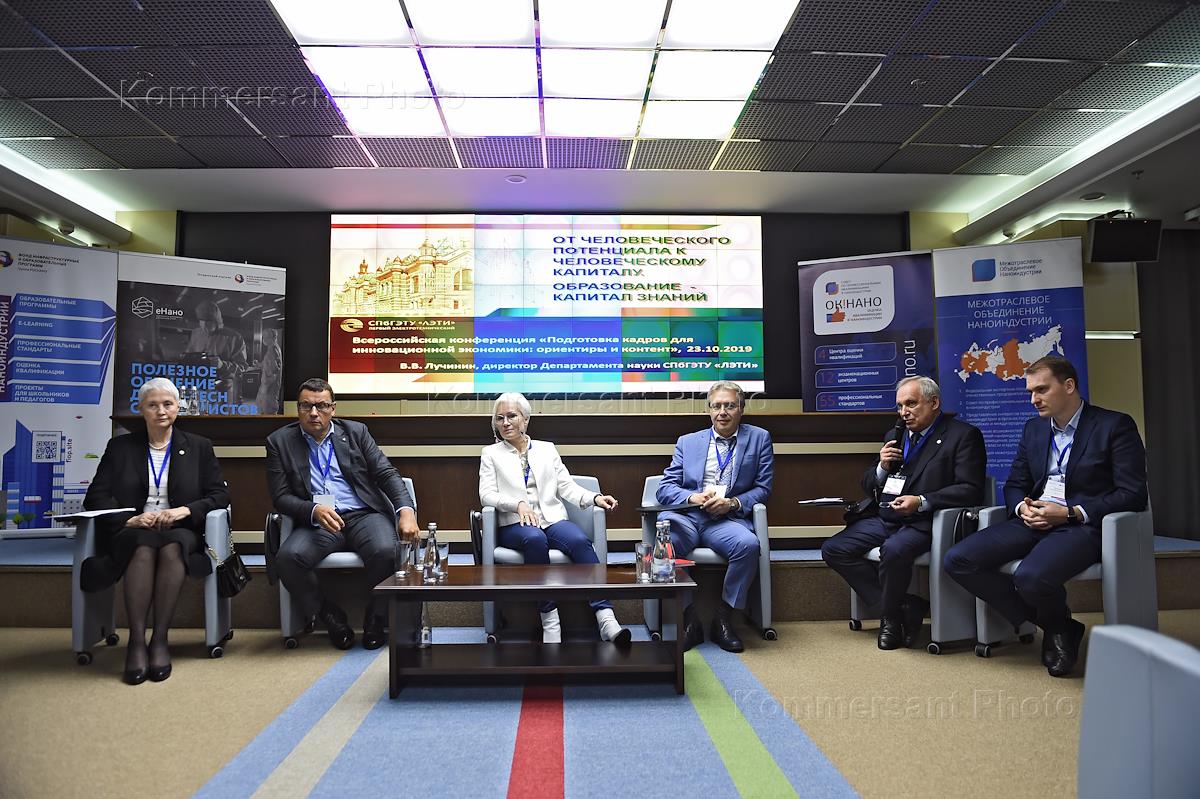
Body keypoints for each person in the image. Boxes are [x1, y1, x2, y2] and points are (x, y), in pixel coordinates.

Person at [944, 356, 1148, 677]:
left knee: (1031, 577)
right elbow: (1016, 483)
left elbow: (1132, 493)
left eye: (1041, 389)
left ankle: (1055, 627)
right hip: (1034, 519)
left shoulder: (1114, 426)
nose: (1033, 399)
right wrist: (1021, 509)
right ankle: (1059, 625)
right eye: (1030, 392)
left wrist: (1070, 514)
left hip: (1081, 525)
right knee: (958, 559)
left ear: (1069, 386)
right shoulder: (1034, 429)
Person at [82, 377, 230, 685]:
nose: (161, 411)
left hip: (180, 529)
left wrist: (185, 510)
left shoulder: (199, 446)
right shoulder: (120, 447)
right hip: (134, 530)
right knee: (142, 548)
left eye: (167, 404)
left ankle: (160, 639)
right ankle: (137, 641)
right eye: (152, 405)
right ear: (141, 409)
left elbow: (219, 494)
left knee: (173, 547)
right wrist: (130, 519)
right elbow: (96, 496)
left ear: (178, 407)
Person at [822, 376, 986, 649]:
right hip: (887, 517)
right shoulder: (895, 435)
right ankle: (904, 606)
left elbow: (971, 489)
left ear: (934, 402)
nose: (904, 412)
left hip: (927, 521)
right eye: (899, 406)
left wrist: (922, 501)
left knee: (894, 550)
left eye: (911, 404)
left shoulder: (962, 435)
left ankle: (889, 619)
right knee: (834, 549)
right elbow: (868, 484)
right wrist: (882, 467)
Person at [267, 378, 419, 650]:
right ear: (298, 409)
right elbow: (281, 497)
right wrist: (313, 510)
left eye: (322, 406)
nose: (314, 413)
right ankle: (328, 615)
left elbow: (386, 473)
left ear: (333, 408)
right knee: (288, 559)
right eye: (306, 406)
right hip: (320, 521)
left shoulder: (356, 432)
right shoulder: (279, 442)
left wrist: (406, 511)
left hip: (363, 514)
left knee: (386, 550)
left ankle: (376, 617)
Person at [478, 392, 630, 646]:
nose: (505, 423)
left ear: (526, 419)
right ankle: (549, 619)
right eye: (499, 418)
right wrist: (517, 504)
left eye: (511, 416)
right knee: (535, 539)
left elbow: (566, 486)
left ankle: (606, 618)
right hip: (514, 525)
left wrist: (595, 498)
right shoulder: (490, 453)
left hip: (551, 519)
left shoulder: (547, 449)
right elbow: (486, 495)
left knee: (580, 541)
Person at [655, 381, 774, 652]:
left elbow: (763, 488)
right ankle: (690, 619)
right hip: (689, 517)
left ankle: (723, 618)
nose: (722, 412)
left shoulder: (759, 438)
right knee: (666, 543)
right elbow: (665, 488)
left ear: (741, 409)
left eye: (729, 406)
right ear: (709, 410)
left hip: (726, 520)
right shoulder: (688, 442)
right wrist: (692, 498)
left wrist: (732, 503)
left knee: (748, 545)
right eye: (716, 406)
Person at [187, 299, 248, 402]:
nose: (204, 326)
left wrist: (222, 365)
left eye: (208, 322)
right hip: (199, 390)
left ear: (217, 321)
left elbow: (243, 366)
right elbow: (189, 356)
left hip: (223, 392)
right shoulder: (196, 334)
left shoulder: (234, 337)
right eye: (201, 321)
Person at [254, 327, 283, 414]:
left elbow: (274, 370)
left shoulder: (273, 349)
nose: (264, 339)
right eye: (264, 337)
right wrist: (259, 364)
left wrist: (266, 386)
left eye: (267, 337)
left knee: (268, 409)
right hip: (267, 384)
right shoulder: (271, 348)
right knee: (262, 407)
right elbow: (268, 365)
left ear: (273, 338)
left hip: (269, 385)